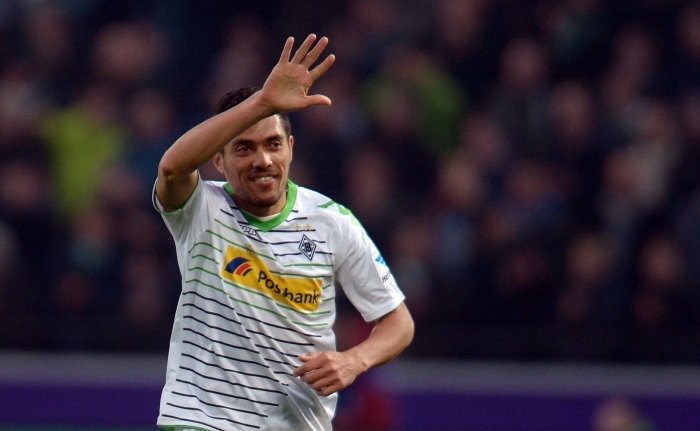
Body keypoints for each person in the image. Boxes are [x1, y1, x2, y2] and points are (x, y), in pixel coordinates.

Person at [153, 34, 414, 431]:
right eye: (244, 148)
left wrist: (354, 360)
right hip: (201, 420)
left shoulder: (331, 221)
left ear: (290, 148)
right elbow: (172, 168)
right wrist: (264, 103)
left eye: (273, 144)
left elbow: (398, 323)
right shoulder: (200, 208)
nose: (263, 160)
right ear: (218, 161)